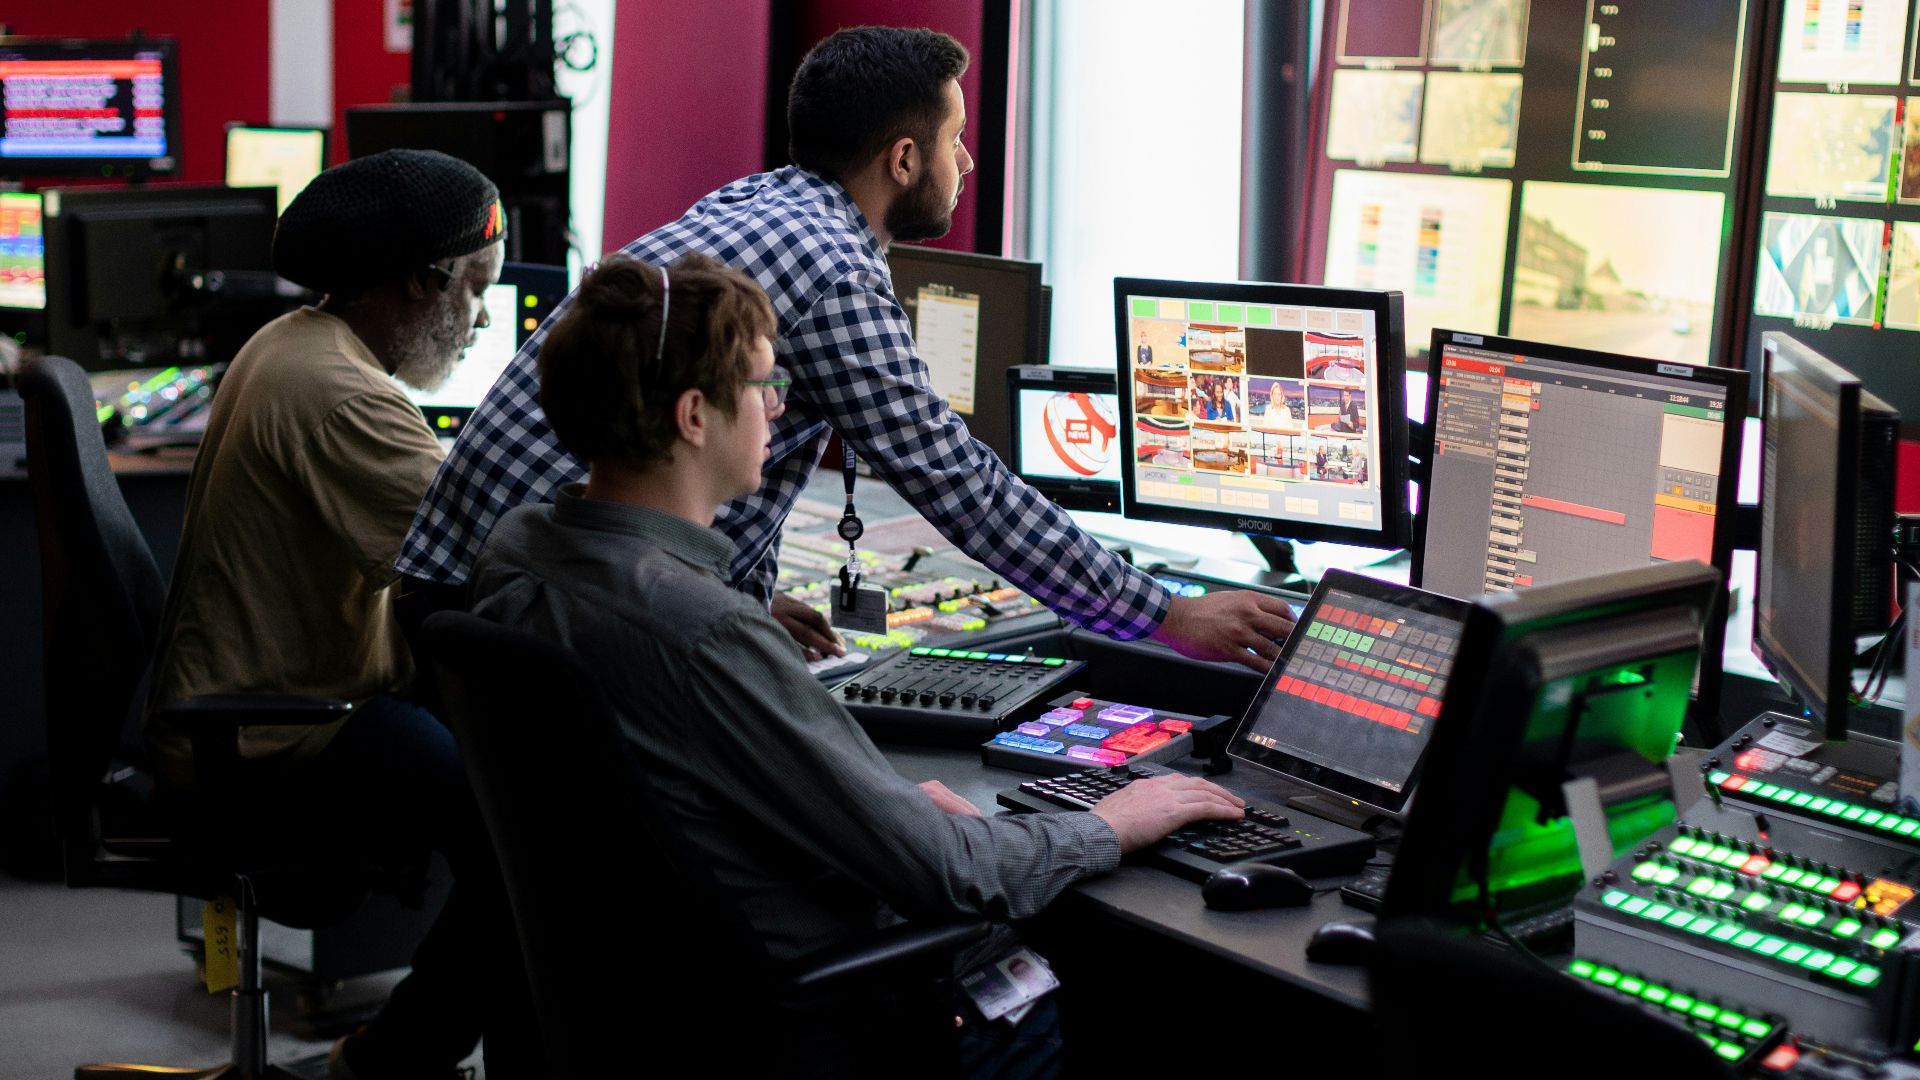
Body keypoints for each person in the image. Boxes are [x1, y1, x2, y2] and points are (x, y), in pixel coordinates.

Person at [467, 253, 1248, 1074]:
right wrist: (1113, 821)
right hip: (822, 1015)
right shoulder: (705, 631)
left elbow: (666, 794)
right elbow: (956, 874)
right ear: (694, 415)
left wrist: (877, 806)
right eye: (763, 384)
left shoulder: (520, 554)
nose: (778, 407)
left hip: (645, 1009)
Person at [397, 25, 1294, 672]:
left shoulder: (755, 202)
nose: (969, 162)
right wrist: (1167, 613)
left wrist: (741, 607)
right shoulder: (831, 270)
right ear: (904, 160)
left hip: (475, 595)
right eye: (954, 141)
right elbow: (958, 483)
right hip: (547, 618)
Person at [144, 149, 536, 1079]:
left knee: (514, 794)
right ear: (414, 283)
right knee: (536, 838)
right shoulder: (339, 396)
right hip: (278, 744)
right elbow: (496, 548)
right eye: (474, 287)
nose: (482, 317)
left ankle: (405, 1051)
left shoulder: (297, 343)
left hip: (268, 715)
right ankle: (394, 1061)